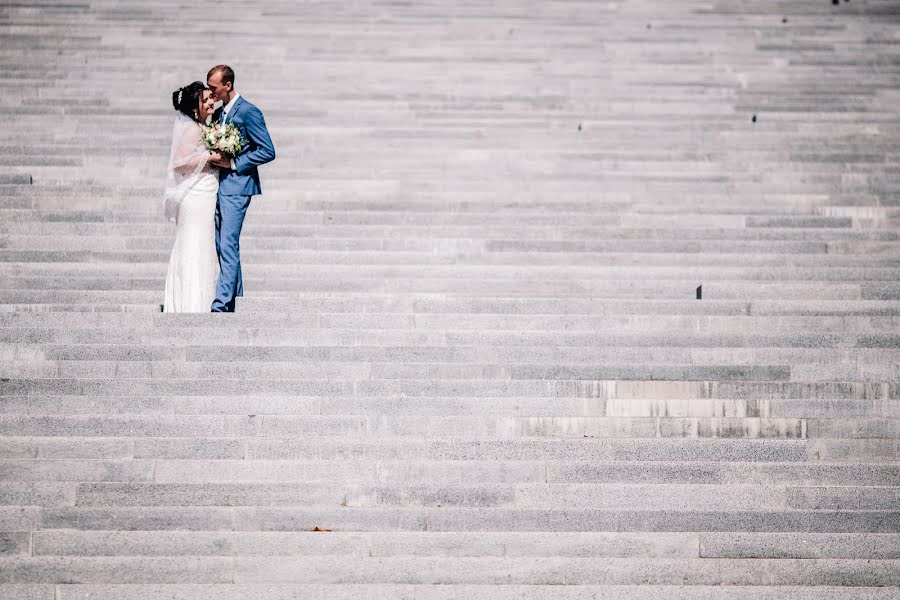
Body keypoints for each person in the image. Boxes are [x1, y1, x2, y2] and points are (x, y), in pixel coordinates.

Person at [206, 65, 276, 312]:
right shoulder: (217, 114)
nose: (210, 93)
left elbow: (268, 150)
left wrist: (234, 162)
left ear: (228, 85)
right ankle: (236, 298)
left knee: (227, 243)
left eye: (213, 88)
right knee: (221, 243)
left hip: (238, 186)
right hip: (218, 186)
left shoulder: (248, 112)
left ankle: (221, 304)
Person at [162, 81, 227, 312]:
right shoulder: (193, 129)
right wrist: (208, 157)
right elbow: (179, 164)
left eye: (211, 97)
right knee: (194, 244)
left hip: (205, 193)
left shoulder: (202, 126)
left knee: (202, 244)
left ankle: (200, 300)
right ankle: (191, 304)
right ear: (194, 108)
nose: (211, 102)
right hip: (195, 196)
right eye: (206, 99)